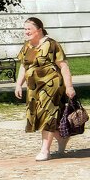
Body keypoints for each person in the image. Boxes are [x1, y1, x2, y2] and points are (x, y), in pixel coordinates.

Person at [14, 16, 76, 161]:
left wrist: (69, 86)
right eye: (25, 29)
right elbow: (23, 66)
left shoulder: (52, 44)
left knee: (47, 115)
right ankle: (61, 138)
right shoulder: (27, 46)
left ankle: (45, 150)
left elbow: (64, 66)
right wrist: (18, 84)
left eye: (29, 29)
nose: (26, 32)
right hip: (33, 88)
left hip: (51, 86)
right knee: (39, 115)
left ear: (39, 30)